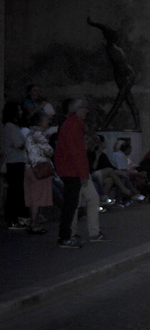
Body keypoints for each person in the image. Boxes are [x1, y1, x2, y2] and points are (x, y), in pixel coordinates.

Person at [53, 99, 91, 248]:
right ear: (77, 109)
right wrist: (83, 173)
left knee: (70, 204)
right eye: (84, 108)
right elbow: (76, 151)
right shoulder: (73, 125)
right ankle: (64, 237)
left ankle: (65, 235)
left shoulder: (71, 124)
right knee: (70, 204)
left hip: (68, 169)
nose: (86, 110)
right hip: (71, 170)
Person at [24, 111, 54, 234]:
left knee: (32, 198)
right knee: (38, 198)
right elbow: (49, 150)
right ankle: (34, 225)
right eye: (46, 120)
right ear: (40, 121)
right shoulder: (38, 134)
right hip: (40, 168)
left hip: (29, 167)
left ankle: (33, 222)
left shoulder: (30, 133)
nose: (48, 122)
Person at [3, 101, 29, 230]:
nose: (21, 112)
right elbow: (20, 144)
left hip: (18, 161)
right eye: (18, 110)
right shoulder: (10, 127)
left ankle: (16, 218)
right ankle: (12, 220)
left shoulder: (14, 126)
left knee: (17, 191)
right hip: (14, 163)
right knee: (14, 192)